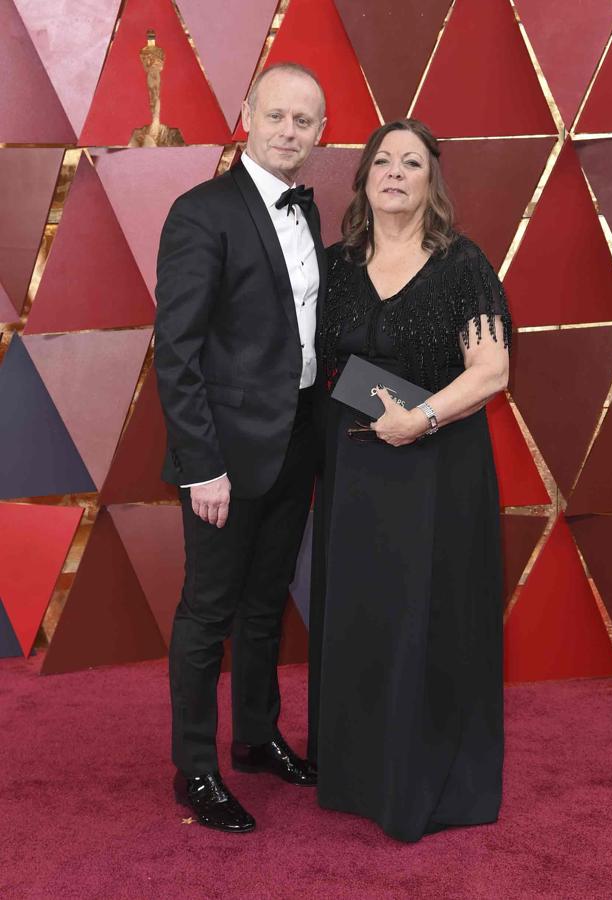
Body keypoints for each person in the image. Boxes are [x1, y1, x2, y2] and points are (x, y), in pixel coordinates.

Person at [308, 119, 511, 843]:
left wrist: (419, 420)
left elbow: (491, 371)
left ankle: (425, 776)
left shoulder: (462, 265)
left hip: (438, 466)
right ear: (364, 178)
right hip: (355, 468)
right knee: (364, 614)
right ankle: (360, 773)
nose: (395, 173)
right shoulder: (335, 265)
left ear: (431, 180)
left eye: (411, 163)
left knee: (429, 615)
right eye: (382, 162)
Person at [154, 62, 327, 833]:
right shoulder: (202, 213)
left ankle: (255, 738)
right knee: (208, 613)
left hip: (297, 440)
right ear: (247, 116)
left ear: (320, 132)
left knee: (264, 607)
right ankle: (195, 769)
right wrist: (204, 467)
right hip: (224, 456)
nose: (290, 131)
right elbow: (176, 352)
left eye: (305, 121)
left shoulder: (310, 213)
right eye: (278, 116)